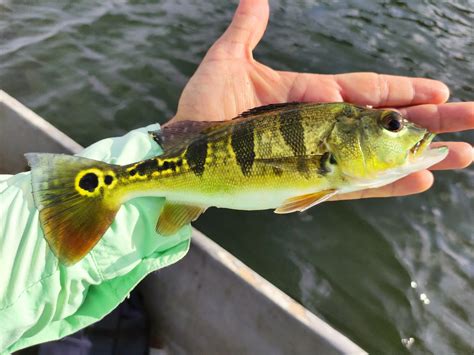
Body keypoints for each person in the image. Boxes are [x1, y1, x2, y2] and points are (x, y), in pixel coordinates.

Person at [0, 0, 472, 353]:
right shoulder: (329, 154)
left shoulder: (335, 163)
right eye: (391, 125)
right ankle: (97, 191)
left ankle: (95, 190)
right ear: (342, 141)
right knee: (118, 190)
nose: (405, 132)